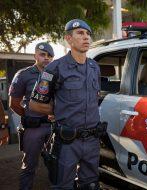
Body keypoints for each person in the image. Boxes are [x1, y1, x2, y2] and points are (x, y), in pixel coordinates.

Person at [29, 19, 102, 190]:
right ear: (68, 39)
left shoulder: (94, 67)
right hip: (67, 142)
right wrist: (59, 109)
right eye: (80, 33)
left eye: (88, 34)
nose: (86, 38)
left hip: (92, 140)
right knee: (63, 186)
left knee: (91, 185)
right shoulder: (54, 68)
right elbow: (34, 104)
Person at [8, 42, 54, 190]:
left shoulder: (57, 74)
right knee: (29, 166)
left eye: (50, 56)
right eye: (43, 55)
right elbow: (14, 103)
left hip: (54, 127)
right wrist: (28, 116)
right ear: (35, 56)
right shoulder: (23, 75)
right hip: (33, 129)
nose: (46, 58)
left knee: (57, 165)